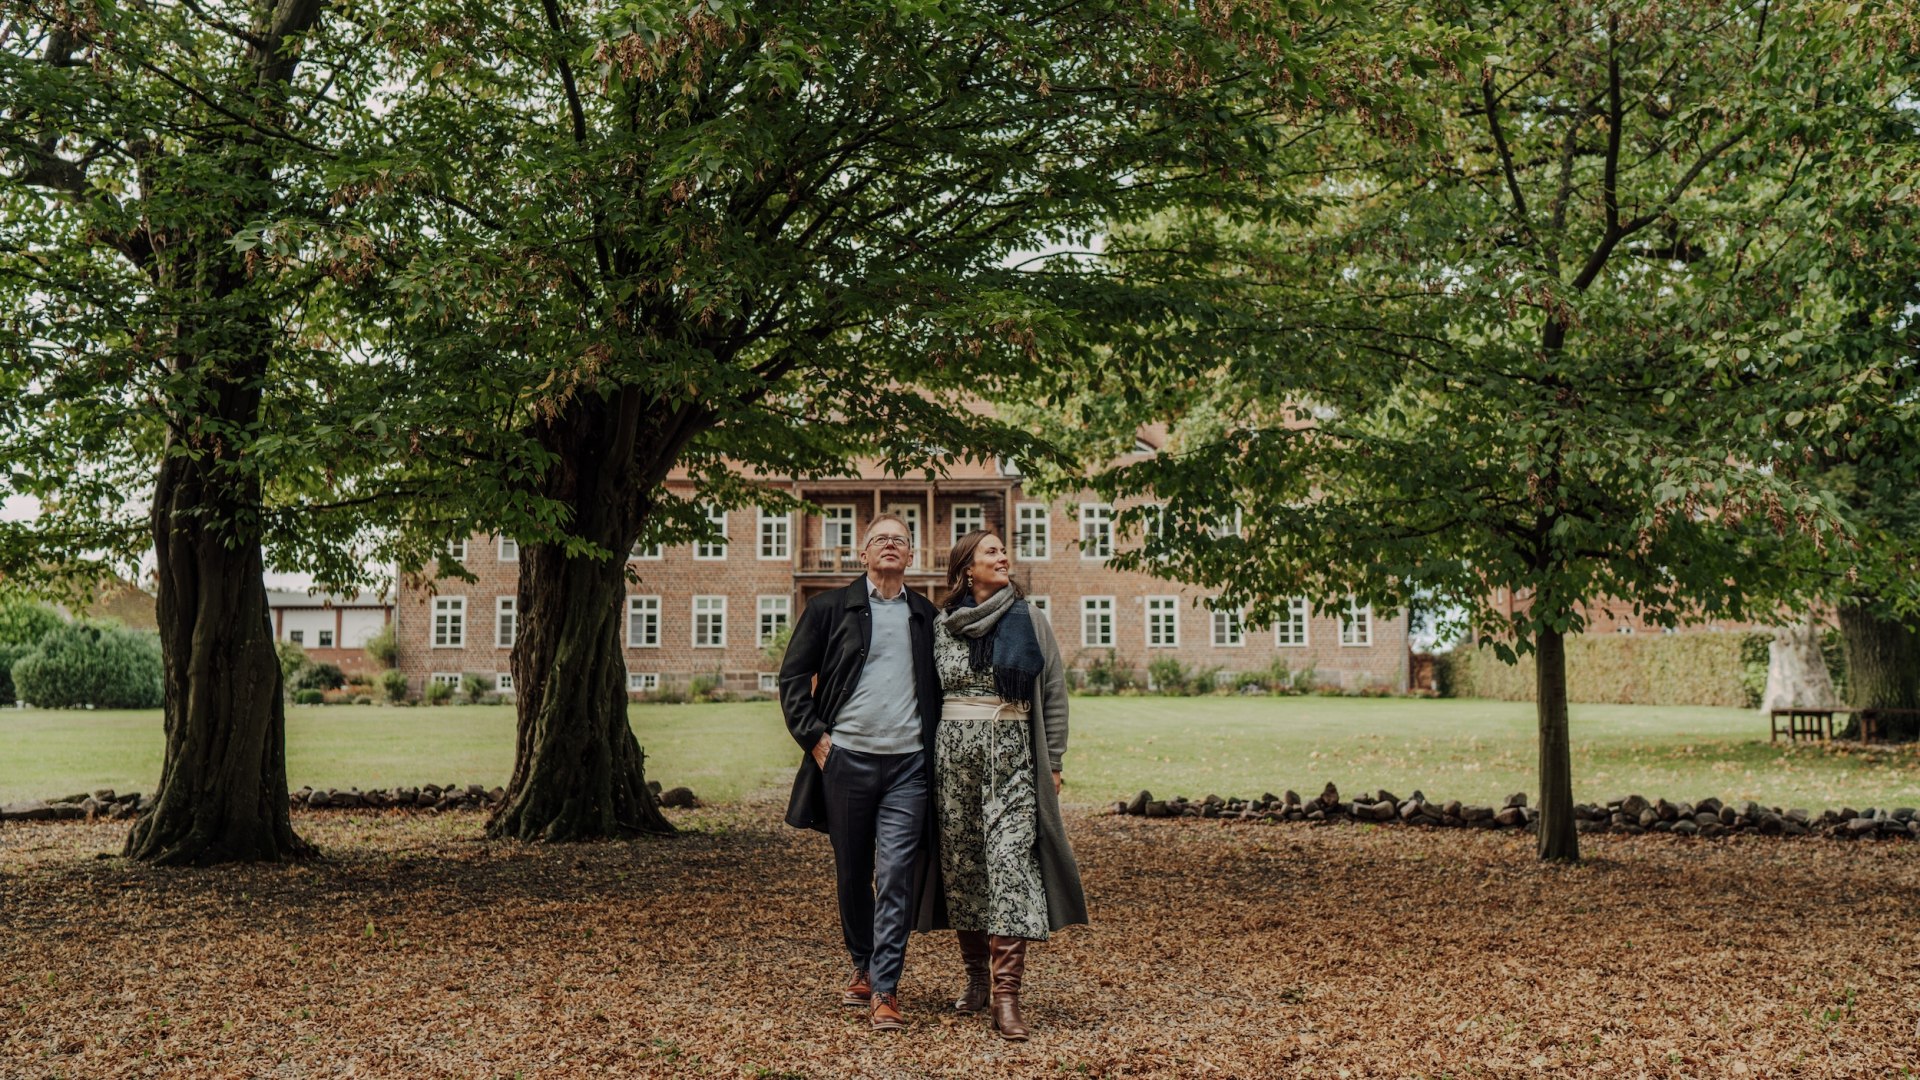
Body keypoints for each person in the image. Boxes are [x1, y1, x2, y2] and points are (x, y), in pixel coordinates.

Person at [778, 513, 942, 1032]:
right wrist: (816, 739)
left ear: (911, 556)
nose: (891, 547)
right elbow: (792, 676)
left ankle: (886, 987)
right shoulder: (830, 608)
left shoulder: (926, 616)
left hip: (908, 766)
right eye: (881, 540)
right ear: (863, 554)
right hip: (846, 760)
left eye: (901, 540)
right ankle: (862, 963)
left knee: (895, 873)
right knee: (852, 872)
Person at [923, 528, 1087, 1040]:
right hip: (952, 761)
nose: (1003, 557)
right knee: (965, 865)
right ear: (966, 566)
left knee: (1012, 864)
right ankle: (975, 981)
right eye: (991, 551)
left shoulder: (1028, 618)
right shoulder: (942, 624)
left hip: (1012, 755)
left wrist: (1053, 760)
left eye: (1003, 551)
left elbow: (1054, 692)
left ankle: (1007, 997)